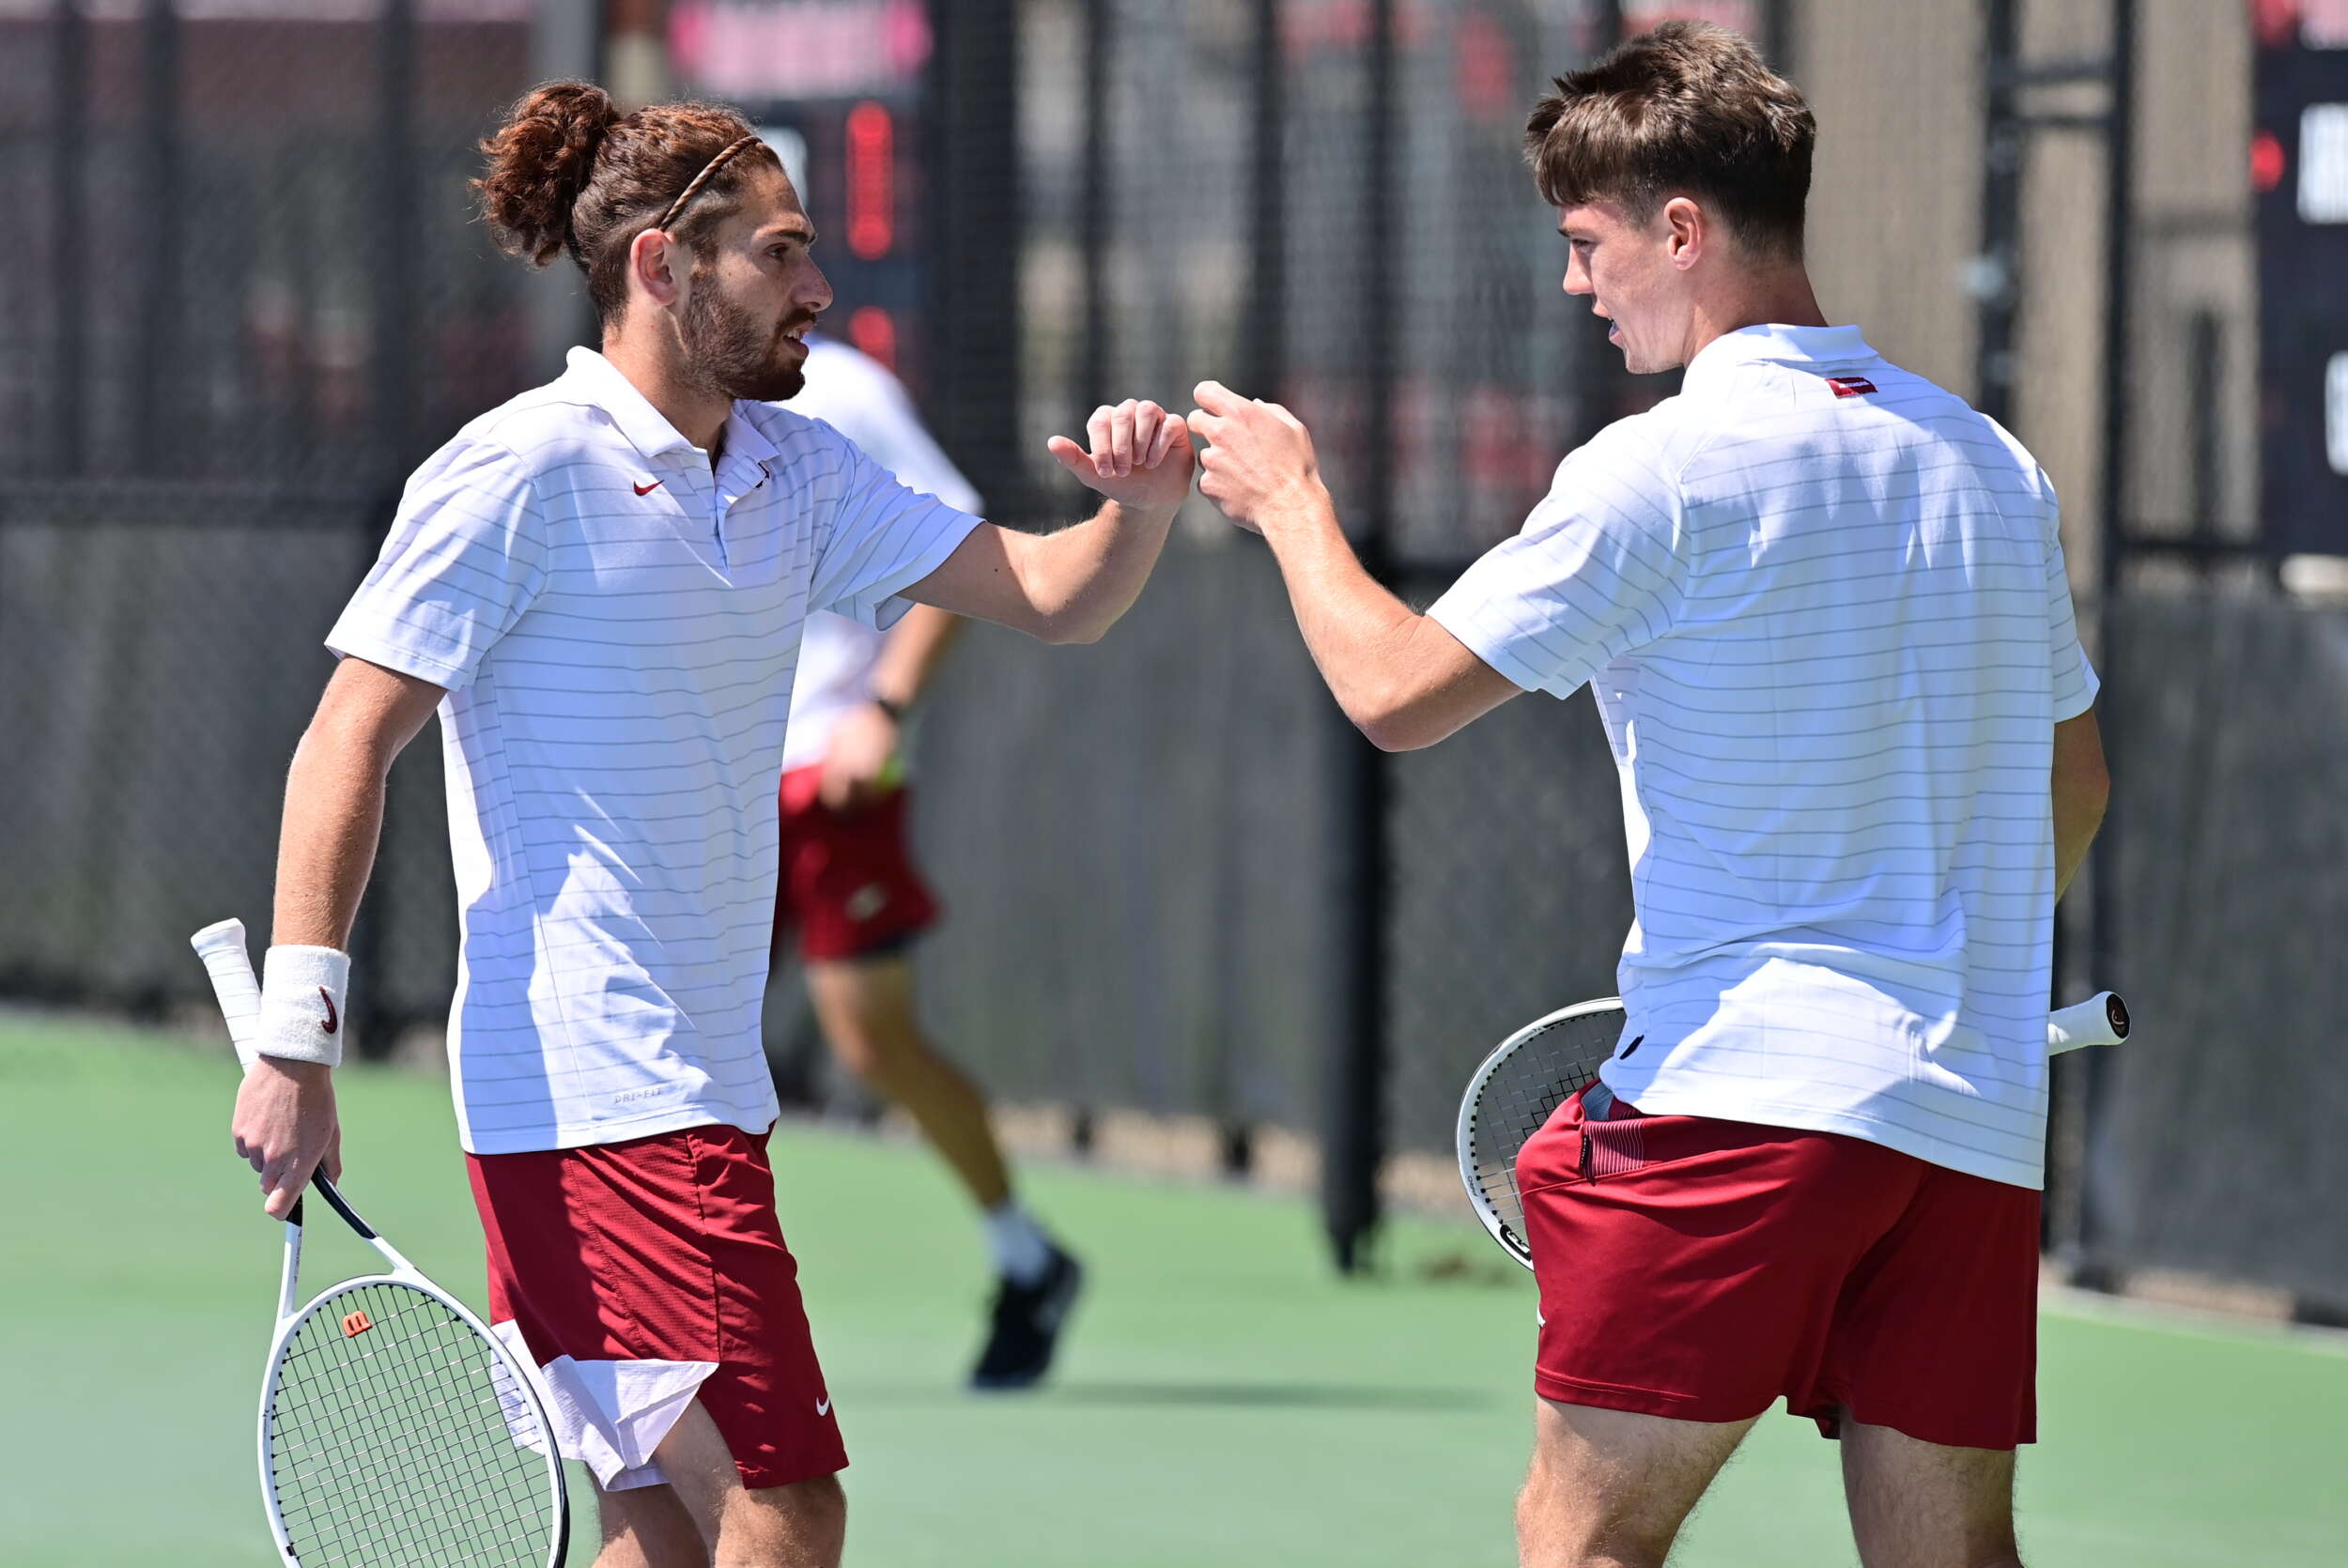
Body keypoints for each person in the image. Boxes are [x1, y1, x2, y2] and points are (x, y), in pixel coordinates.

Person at [228, 85, 1193, 1568]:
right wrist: (299, 1033)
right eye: (783, 252)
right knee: (784, 1500)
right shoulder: (519, 469)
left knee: (669, 1524)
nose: (818, 287)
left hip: (690, 1081)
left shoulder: (796, 470)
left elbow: (1054, 595)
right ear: (663, 268)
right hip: (601, 1094)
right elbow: (347, 733)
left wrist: (1134, 507)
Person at [1184, 23, 2109, 1568]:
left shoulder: (1662, 468)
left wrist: (1290, 505)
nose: (1573, 281)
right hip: (1965, 1114)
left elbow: (1395, 691)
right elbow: (2071, 788)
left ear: (1681, 230)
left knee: (1581, 1544)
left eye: (1586, 241)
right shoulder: (1993, 465)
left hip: (1738, 1106)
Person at [774, 332, 1082, 1390]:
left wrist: (882, 710)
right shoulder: (639, 404)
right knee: (667, 1042)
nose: (798, 282)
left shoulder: (843, 391)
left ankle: (1024, 1255)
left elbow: (964, 552)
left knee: (872, 1043)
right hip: (698, 776)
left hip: (827, 775)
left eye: (792, 248)